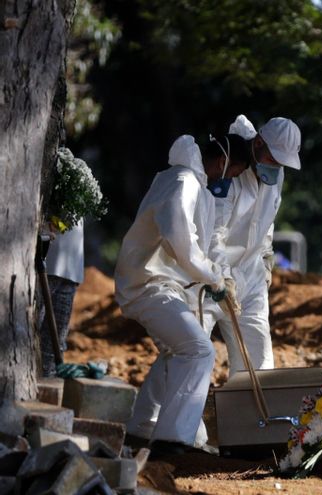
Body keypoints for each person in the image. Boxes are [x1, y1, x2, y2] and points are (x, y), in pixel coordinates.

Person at [115, 131, 250, 456]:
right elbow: (183, 244)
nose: (230, 180)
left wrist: (219, 278)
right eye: (234, 173)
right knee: (199, 351)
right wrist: (216, 280)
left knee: (177, 352)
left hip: (157, 284)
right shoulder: (184, 183)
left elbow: (194, 246)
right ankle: (172, 441)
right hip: (148, 285)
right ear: (223, 162)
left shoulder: (186, 181)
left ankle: (142, 428)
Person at [200, 115, 301, 375]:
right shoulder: (230, 169)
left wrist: (266, 257)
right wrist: (221, 278)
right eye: (272, 159)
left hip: (251, 276)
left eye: (281, 163)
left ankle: (248, 416)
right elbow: (213, 232)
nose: (276, 167)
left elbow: (267, 221)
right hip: (210, 276)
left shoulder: (275, 175)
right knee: (191, 353)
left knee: (259, 361)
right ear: (257, 145)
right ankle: (152, 416)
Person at [36, 221, 84, 376]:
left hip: (70, 266)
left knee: (55, 341)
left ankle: (49, 382)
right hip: (46, 260)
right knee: (32, 331)